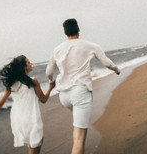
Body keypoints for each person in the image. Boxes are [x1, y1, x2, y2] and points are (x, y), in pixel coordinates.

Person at [46, 18, 120, 154]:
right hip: (80, 92)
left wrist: (51, 81)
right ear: (79, 29)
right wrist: (116, 70)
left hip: (64, 97)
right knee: (80, 139)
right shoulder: (90, 45)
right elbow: (107, 63)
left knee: (78, 129)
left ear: (65, 32)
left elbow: (49, 72)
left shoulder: (57, 49)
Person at [0, 55, 55, 154]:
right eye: (28, 62)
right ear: (24, 67)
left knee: (34, 144)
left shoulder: (12, 84)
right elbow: (43, 100)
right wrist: (50, 88)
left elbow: (0, 103)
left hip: (18, 120)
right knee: (36, 144)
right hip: (31, 119)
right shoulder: (33, 81)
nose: (31, 63)